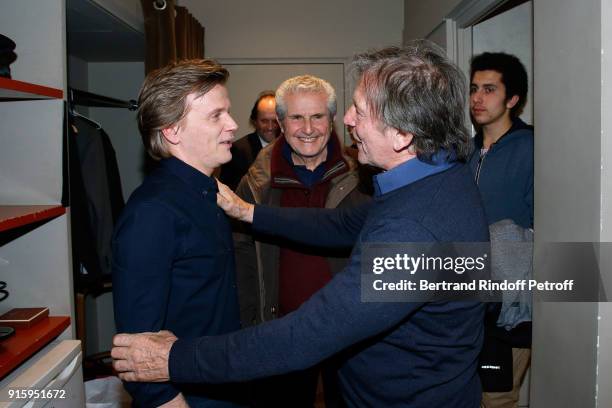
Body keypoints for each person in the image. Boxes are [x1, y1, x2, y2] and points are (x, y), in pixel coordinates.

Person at [111, 41, 489, 408]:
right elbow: (338, 225)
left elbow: (307, 335)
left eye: (359, 110)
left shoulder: (415, 229)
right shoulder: (436, 177)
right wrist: (249, 212)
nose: (346, 120)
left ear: (403, 134)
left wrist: (173, 360)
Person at [111, 59, 245, 407]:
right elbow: (136, 350)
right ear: (173, 131)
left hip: (223, 383)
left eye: (227, 112)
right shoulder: (152, 214)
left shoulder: (210, 194)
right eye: (216, 115)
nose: (232, 125)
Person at [234, 75, 370, 407]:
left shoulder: (364, 176)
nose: (307, 128)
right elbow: (242, 258)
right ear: (280, 122)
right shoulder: (254, 185)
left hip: (350, 333)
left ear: (332, 119)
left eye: (317, 116)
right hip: (282, 331)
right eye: (296, 117)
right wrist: (251, 324)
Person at [468, 52, 534, 408]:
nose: (478, 97)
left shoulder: (533, 148)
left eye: (489, 89)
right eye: (475, 88)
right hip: (472, 302)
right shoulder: (471, 151)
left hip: (510, 309)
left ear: (512, 99)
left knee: (496, 399)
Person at [219, 90, 281, 190]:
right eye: (264, 121)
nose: (270, 127)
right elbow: (229, 192)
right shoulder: (237, 150)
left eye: (275, 121)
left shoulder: (291, 146)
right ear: (254, 121)